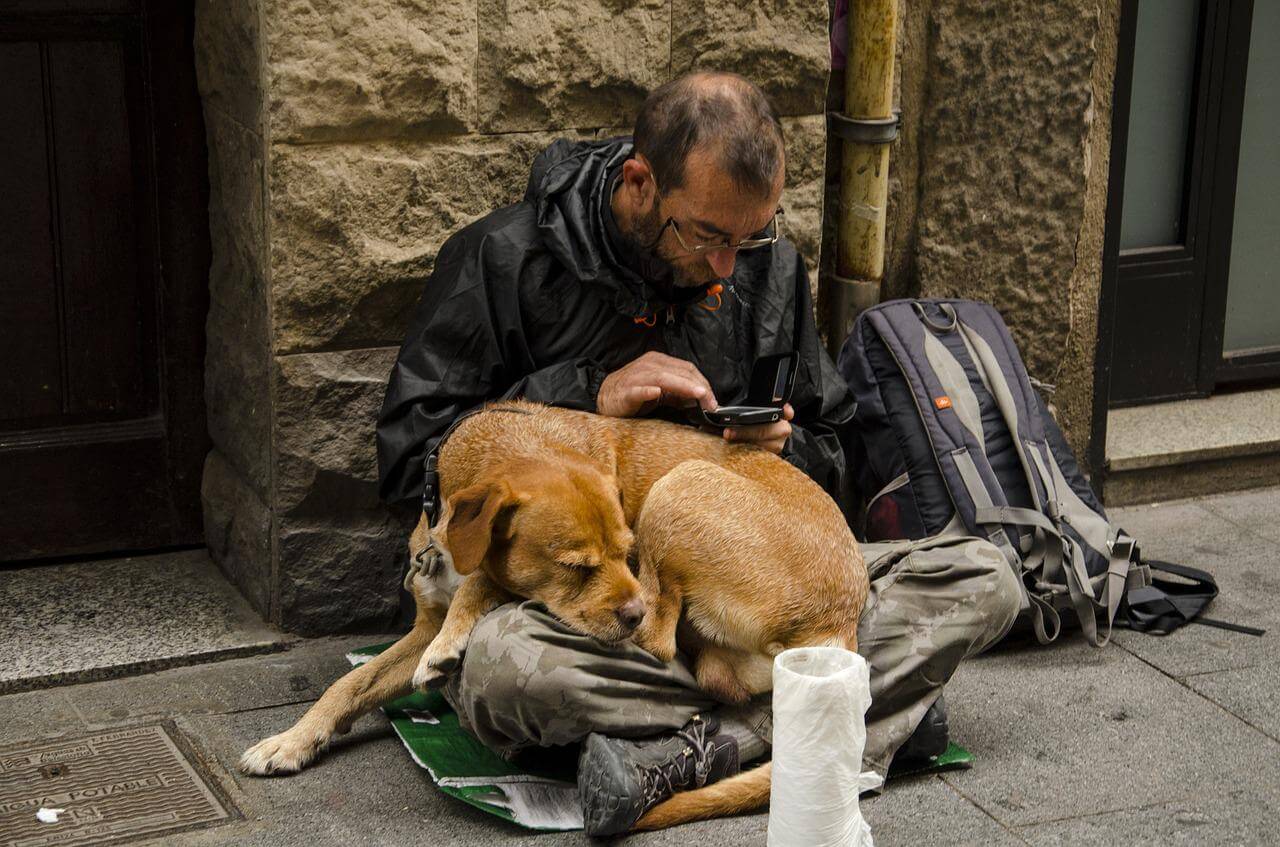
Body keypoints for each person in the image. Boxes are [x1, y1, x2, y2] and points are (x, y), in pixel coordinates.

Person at [376, 71, 1021, 835]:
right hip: (602, 619)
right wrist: (588, 392)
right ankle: (847, 711)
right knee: (503, 672)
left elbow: (839, 450)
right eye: (709, 236)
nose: (729, 265)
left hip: (739, 592)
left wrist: (789, 445)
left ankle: (709, 746)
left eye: (749, 238)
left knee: (990, 576)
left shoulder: (766, 265)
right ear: (641, 183)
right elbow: (412, 455)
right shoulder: (503, 258)